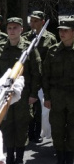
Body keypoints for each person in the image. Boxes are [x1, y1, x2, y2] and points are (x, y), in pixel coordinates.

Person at [0, 17, 41, 164]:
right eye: (9, 28)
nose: (12, 31)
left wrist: (33, 94)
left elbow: (36, 72)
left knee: (21, 125)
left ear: (21, 30)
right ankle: (9, 157)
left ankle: (19, 158)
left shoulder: (29, 49)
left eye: (15, 28)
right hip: (4, 94)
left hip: (23, 94)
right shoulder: (0, 47)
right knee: (6, 125)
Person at [42, 18, 74, 164]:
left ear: (73, 32)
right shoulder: (52, 50)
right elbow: (45, 75)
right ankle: (60, 160)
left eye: (66, 30)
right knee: (57, 129)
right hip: (57, 97)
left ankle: (70, 160)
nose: (62, 33)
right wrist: (47, 97)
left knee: (73, 130)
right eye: (60, 30)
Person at [23, 11, 58, 144]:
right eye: (31, 20)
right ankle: (30, 132)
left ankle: (39, 132)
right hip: (30, 76)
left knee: (42, 108)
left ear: (42, 22)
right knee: (30, 104)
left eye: (36, 21)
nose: (33, 23)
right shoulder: (26, 36)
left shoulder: (50, 38)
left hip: (44, 76)